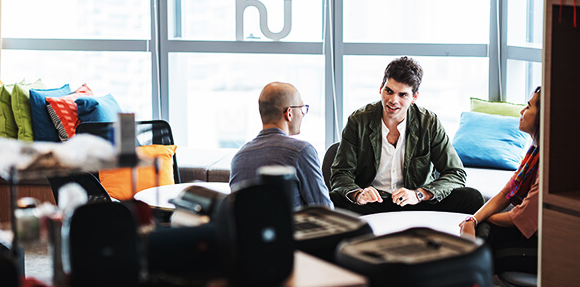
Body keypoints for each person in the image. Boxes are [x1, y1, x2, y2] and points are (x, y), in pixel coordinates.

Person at [329, 56, 484, 215]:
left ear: (414, 98)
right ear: (381, 88)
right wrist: (358, 194)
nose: (393, 100)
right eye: (389, 91)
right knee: (331, 200)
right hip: (372, 203)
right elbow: (340, 173)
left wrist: (420, 194)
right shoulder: (358, 120)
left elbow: (455, 173)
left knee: (472, 198)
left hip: (415, 201)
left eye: (402, 95)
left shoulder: (429, 122)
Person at [459, 87, 541, 274]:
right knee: (482, 233)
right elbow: (506, 193)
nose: (521, 111)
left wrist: (475, 221)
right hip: (529, 231)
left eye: (528, 106)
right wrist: (472, 219)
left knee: (484, 245)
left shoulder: (549, 163)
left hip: (546, 243)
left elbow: (519, 217)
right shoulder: (534, 152)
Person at [230, 82, 334, 210]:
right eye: (302, 109)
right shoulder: (301, 151)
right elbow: (324, 209)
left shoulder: (239, 157)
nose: (302, 114)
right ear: (289, 113)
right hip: (294, 229)